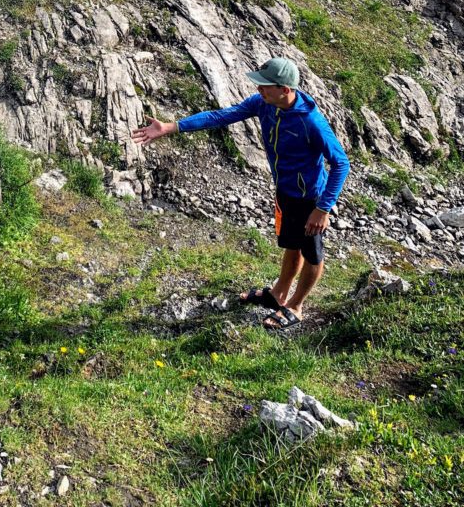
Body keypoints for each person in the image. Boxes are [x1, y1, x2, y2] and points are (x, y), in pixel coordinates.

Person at [131, 56, 350, 332]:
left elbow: (341, 163)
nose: (259, 90)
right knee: (291, 245)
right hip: (285, 193)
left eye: (265, 86)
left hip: (312, 200)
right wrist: (170, 127)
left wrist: (323, 208)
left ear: (285, 89)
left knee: (313, 254)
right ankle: (279, 293)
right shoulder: (264, 104)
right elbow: (221, 116)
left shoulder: (311, 122)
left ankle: (296, 306)